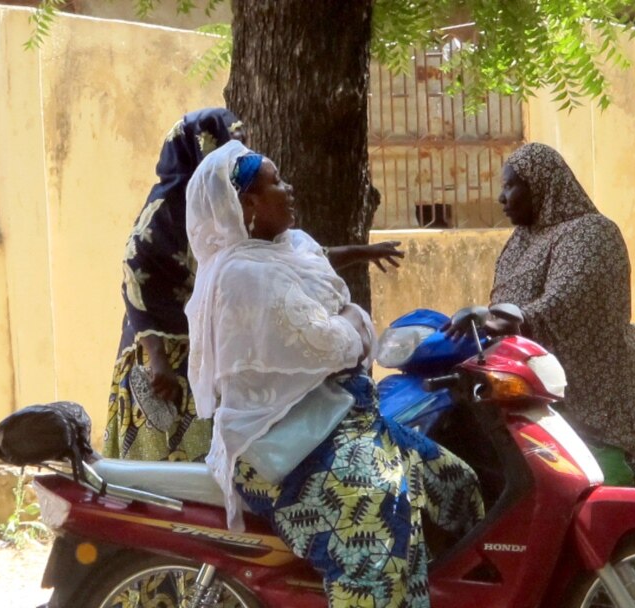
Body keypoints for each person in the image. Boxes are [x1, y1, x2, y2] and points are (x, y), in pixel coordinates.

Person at [185, 140, 483, 606]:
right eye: (276, 183)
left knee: (456, 484)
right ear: (248, 204)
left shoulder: (287, 248)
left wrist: (355, 290)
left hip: (338, 420)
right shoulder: (243, 275)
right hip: (278, 444)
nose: (289, 188)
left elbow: (324, 270)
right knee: (374, 521)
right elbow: (336, 343)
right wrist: (354, 319)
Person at [105, 108, 403, 462]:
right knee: (161, 456)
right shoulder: (164, 221)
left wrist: (362, 252)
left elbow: (298, 257)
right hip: (167, 355)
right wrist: (158, 361)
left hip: (215, 349)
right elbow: (137, 287)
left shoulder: (238, 223)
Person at [479, 142, 635, 485]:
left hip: (593, 393)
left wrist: (514, 318)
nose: (502, 197)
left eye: (510, 185)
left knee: (590, 485)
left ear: (542, 184)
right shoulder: (522, 241)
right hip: (530, 383)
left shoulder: (591, 233)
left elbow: (566, 304)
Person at [104, 108, 245, 461]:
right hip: (164, 366)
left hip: (210, 354)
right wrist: (157, 360)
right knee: (158, 468)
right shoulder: (163, 213)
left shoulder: (225, 208)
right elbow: (134, 278)